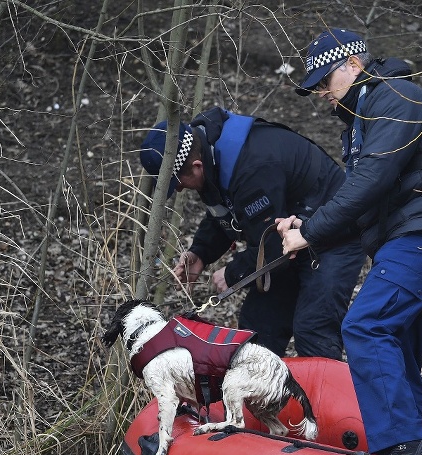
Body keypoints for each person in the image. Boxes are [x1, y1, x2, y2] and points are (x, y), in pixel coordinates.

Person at [280, 28, 422, 455]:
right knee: (397, 340)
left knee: (365, 326)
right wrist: (309, 226)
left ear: (352, 66)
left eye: (324, 81)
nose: (320, 93)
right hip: (421, 236)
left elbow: (368, 184)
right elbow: (362, 204)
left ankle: (404, 446)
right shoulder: (363, 121)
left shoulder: (395, 99)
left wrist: (311, 233)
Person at [139, 106, 366, 359]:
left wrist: (233, 273)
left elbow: (270, 248)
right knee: (256, 331)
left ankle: (326, 396)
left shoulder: (251, 169)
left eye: (178, 182)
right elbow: (223, 212)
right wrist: (201, 253)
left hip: (332, 238)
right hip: (285, 238)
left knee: (313, 331)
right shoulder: (210, 151)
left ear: (197, 166)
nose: (180, 190)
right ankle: (265, 396)